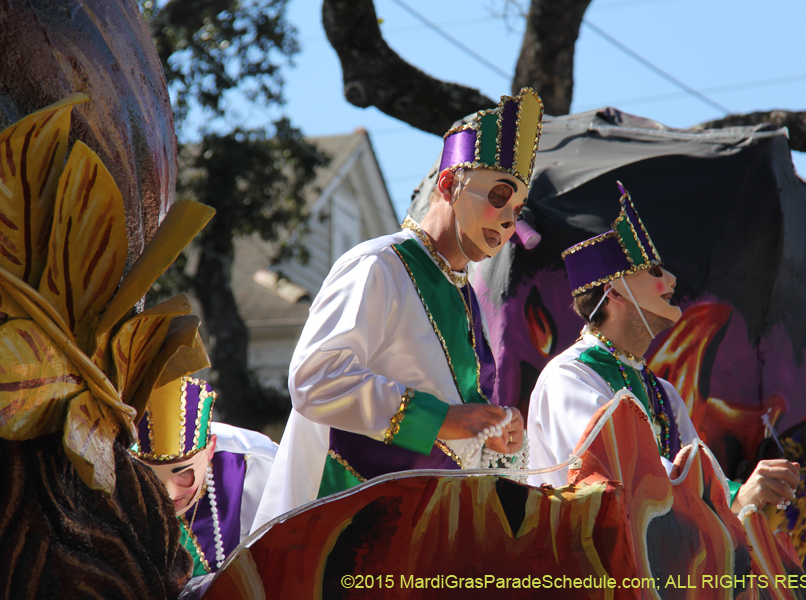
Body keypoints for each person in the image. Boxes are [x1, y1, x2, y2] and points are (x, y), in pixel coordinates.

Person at [253, 89, 544, 525]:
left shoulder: (465, 296)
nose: (507, 221)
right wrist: (442, 419)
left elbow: (453, 431)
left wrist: (489, 435)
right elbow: (316, 379)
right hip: (338, 523)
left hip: (417, 532)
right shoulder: (378, 265)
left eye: (517, 211)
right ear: (448, 185)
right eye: (498, 197)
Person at [527, 182, 800, 514]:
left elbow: (699, 475)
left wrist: (741, 496)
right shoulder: (569, 377)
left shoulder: (664, 394)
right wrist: (732, 497)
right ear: (614, 291)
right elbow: (615, 464)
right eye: (654, 271)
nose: (671, 280)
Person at [132, 376, 277, 577]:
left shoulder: (251, 466)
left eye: (183, 473)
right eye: (151, 477)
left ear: (210, 450)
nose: (168, 493)